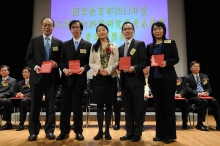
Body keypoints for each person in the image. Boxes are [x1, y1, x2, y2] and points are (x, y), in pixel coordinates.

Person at [25, 17, 62, 141]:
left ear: (53, 27)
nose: (47, 27)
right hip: (37, 77)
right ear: (42, 26)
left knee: (51, 106)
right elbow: (28, 57)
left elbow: (61, 60)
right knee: (35, 105)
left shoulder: (58, 42)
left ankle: (50, 130)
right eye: (45, 25)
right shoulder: (34, 40)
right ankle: (33, 131)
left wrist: (56, 64)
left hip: (52, 78)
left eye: (50, 25)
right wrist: (35, 66)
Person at [57, 20, 92, 141]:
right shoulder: (65, 44)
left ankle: (78, 131)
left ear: (81, 29)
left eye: (77, 27)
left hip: (80, 80)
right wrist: (64, 69)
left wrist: (84, 68)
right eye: (73, 27)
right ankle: (64, 131)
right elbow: (61, 60)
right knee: (65, 106)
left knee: (78, 107)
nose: (75, 29)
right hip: (67, 79)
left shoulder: (88, 45)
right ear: (70, 29)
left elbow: (90, 62)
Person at [146, 21, 179, 144]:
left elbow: (176, 58)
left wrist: (167, 62)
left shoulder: (170, 42)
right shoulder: (150, 46)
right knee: (158, 107)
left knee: (169, 106)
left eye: (159, 29)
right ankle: (159, 134)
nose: (157, 31)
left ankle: (169, 135)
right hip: (154, 79)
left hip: (168, 79)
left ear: (164, 30)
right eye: (154, 29)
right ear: (152, 32)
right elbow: (147, 61)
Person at [119, 22, 147, 142]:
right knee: (128, 110)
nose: (127, 31)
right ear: (122, 32)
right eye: (125, 29)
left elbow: (144, 61)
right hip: (124, 83)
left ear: (134, 31)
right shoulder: (120, 48)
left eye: (129, 29)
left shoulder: (139, 44)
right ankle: (129, 132)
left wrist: (134, 68)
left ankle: (137, 133)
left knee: (138, 109)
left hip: (137, 82)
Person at [89, 23, 118, 140]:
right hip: (98, 78)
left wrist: (109, 70)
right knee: (100, 105)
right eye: (99, 30)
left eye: (103, 30)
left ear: (107, 32)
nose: (101, 32)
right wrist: (99, 69)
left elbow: (117, 61)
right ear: (97, 33)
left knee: (109, 105)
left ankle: (107, 131)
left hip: (110, 78)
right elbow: (91, 62)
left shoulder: (114, 46)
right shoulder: (93, 46)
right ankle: (100, 131)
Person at [184, 61, 220, 131]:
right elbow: (188, 89)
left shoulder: (204, 77)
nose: (197, 68)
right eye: (195, 66)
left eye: (198, 66)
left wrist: (206, 92)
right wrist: (199, 93)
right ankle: (199, 124)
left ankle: (219, 124)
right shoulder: (187, 78)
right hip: (193, 97)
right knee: (204, 102)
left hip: (204, 96)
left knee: (214, 101)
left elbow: (208, 87)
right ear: (191, 68)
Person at [14, 66, 31, 131]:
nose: (24, 74)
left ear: (30, 73)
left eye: (25, 72)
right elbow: (14, 92)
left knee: (24, 101)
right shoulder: (19, 83)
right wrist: (16, 94)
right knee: (22, 101)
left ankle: (21, 123)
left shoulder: (34, 82)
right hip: (21, 100)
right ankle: (20, 124)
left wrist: (23, 95)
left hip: (32, 99)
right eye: (23, 72)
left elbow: (34, 92)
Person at [0, 65, 17, 130]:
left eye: (5, 70)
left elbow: (10, 92)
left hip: (8, 98)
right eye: (1, 70)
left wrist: (0, 95)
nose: (3, 72)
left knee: (6, 101)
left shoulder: (13, 80)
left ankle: (8, 123)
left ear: (8, 72)